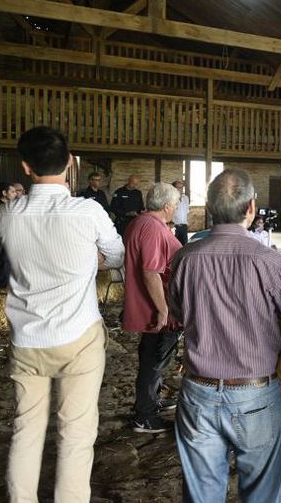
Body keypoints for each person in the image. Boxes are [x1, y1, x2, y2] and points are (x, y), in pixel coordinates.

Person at [168, 169, 281, 502]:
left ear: (209, 209)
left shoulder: (185, 258)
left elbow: (177, 313)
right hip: (254, 392)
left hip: (198, 392)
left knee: (201, 495)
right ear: (251, 208)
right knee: (262, 493)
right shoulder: (268, 260)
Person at [0, 126, 124, 503]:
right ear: (70, 163)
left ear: (25, 166)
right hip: (78, 336)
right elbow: (116, 256)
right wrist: (91, 259)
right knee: (76, 433)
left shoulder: (7, 214)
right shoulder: (87, 211)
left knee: (26, 430)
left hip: (26, 339)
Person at [122, 182, 183, 434]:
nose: (177, 208)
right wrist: (163, 309)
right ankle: (144, 415)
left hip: (157, 304)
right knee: (154, 359)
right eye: (177, 204)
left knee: (155, 357)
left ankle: (151, 401)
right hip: (158, 308)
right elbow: (150, 272)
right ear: (168, 206)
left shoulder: (145, 223)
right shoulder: (151, 228)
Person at [0, 182, 18, 290]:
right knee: (2, 272)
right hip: (1, 243)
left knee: (9, 271)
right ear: (4, 193)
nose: (15, 194)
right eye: (13, 191)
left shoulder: (9, 207)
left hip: (9, 242)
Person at [172, 180, 190, 245]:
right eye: (178, 187)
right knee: (174, 246)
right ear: (174, 189)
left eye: (181, 187)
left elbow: (187, 211)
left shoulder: (186, 198)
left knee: (184, 246)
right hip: (174, 226)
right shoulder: (171, 199)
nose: (180, 189)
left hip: (184, 226)